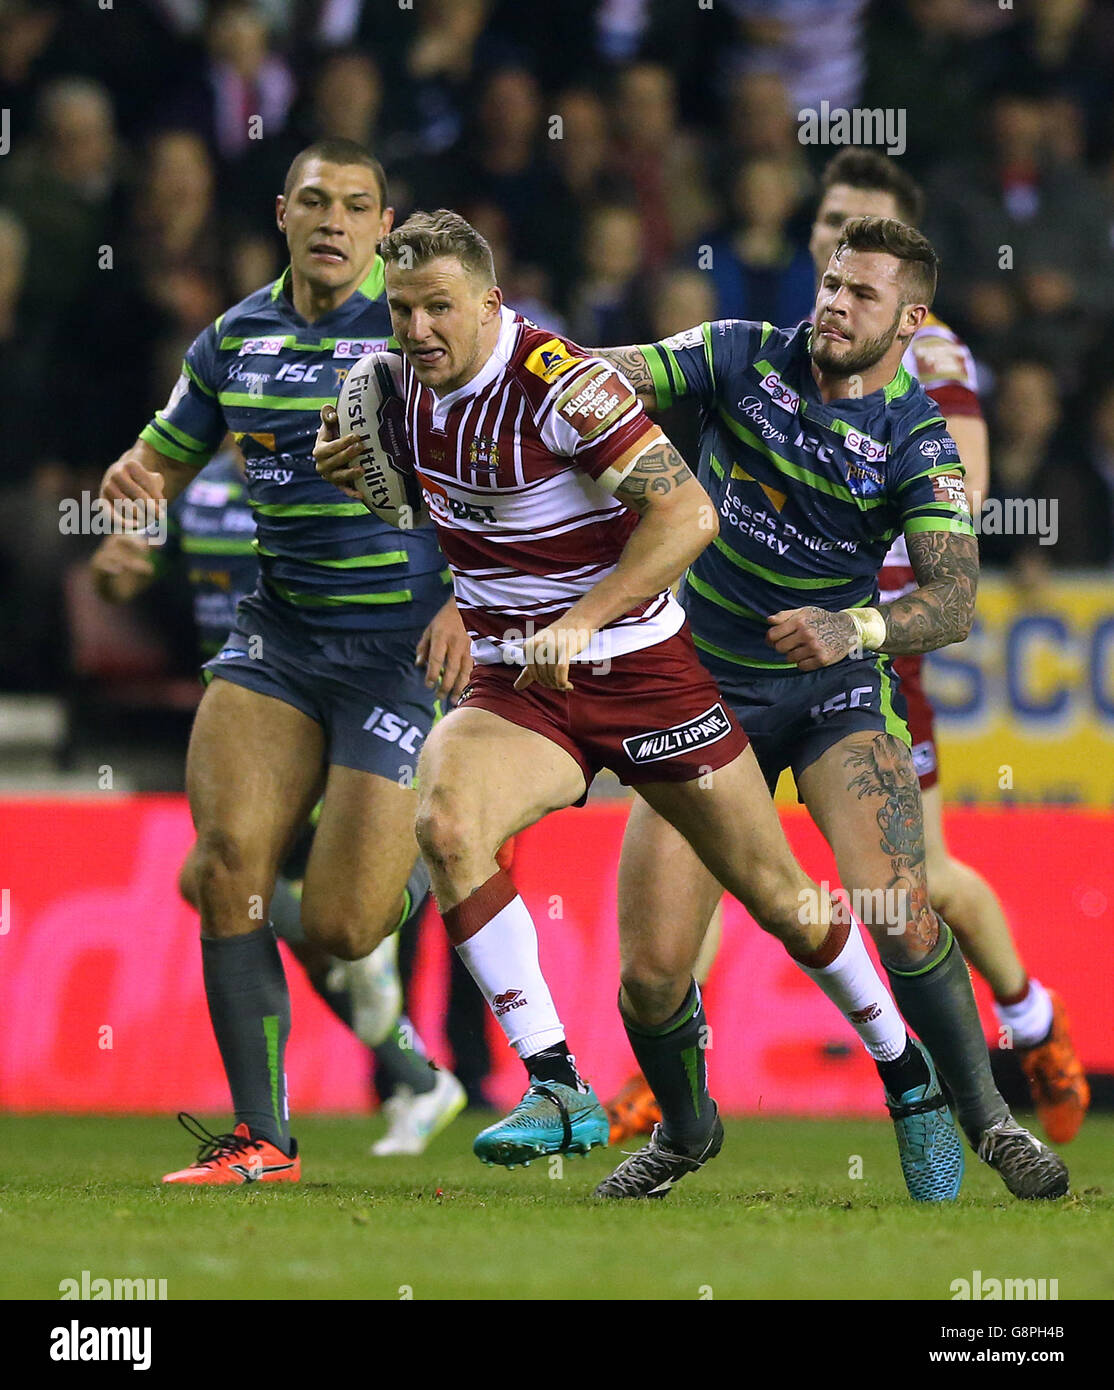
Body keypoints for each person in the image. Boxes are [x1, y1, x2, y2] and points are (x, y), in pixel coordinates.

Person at [315, 208, 972, 1204]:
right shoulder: (383, 391)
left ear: (489, 303)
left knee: (782, 899)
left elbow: (689, 514)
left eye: (438, 307)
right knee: (448, 820)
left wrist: (583, 619)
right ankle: (558, 1082)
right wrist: (380, 495)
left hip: (643, 668)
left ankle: (903, 1070)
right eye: (400, 308)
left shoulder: (565, 388)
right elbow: (460, 501)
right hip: (520, 684)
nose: (416, 329)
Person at [608, 149, 1090, 1150]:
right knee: (709, 873)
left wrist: (861, 610)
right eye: (828, 242)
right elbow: (615, 373)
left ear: (908, 296)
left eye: (861, 253)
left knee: (918, 887)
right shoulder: (752, 350)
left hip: (859, 653)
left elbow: (965, 519)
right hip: (723, 664)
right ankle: (670, 1090)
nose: (834, 276)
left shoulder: (933, 379)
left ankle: (1029, 1026)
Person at [98, 139, 472, 1184]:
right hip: (277, 639)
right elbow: (162, 459)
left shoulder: (420, 336)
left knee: (350, 929)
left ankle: (423, 874)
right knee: (226, 873)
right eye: (315, 201)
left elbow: (503, 481)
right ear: (281, 212)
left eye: (357, 205)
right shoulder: (233, 339)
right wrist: (136, 501)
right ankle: (264, 1139)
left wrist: (466, 603)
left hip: (397, 652)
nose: (334, 221)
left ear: (383, 226)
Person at [90, 449, 467, 1158]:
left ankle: (405, 1049)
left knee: (325, 913)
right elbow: (127, 563)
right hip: (256, 713)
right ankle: (410, 1072)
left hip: (346, 710)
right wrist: (118, 569)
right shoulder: (196, 490)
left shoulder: (343, 477)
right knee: (235, 888)